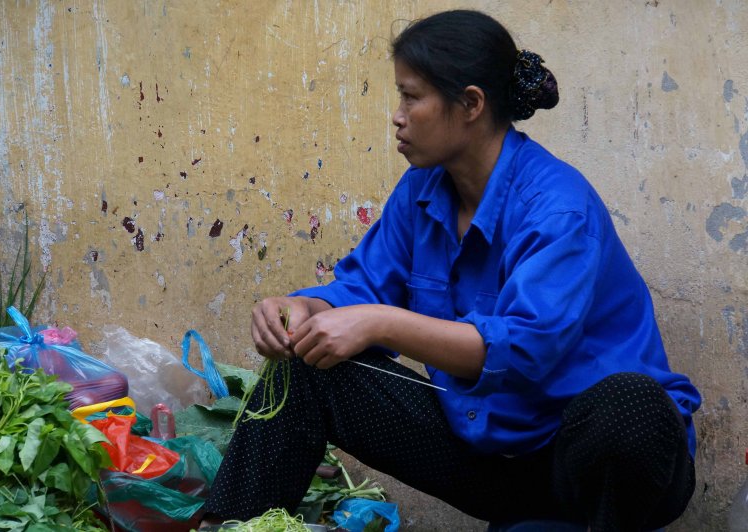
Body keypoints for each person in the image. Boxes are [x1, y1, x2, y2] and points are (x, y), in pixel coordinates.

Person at [201, 9, 701, 531]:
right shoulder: (421, 191)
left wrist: (377, 321)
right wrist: (303, 308)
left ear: (470, 104)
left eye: (411, 97)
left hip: (593, 467)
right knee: (305, 365)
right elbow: (364, 286)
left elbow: (524, 350)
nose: (398, 115)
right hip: (496, 457)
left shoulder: (557, 208)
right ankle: (228, 523)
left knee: (631, 407)